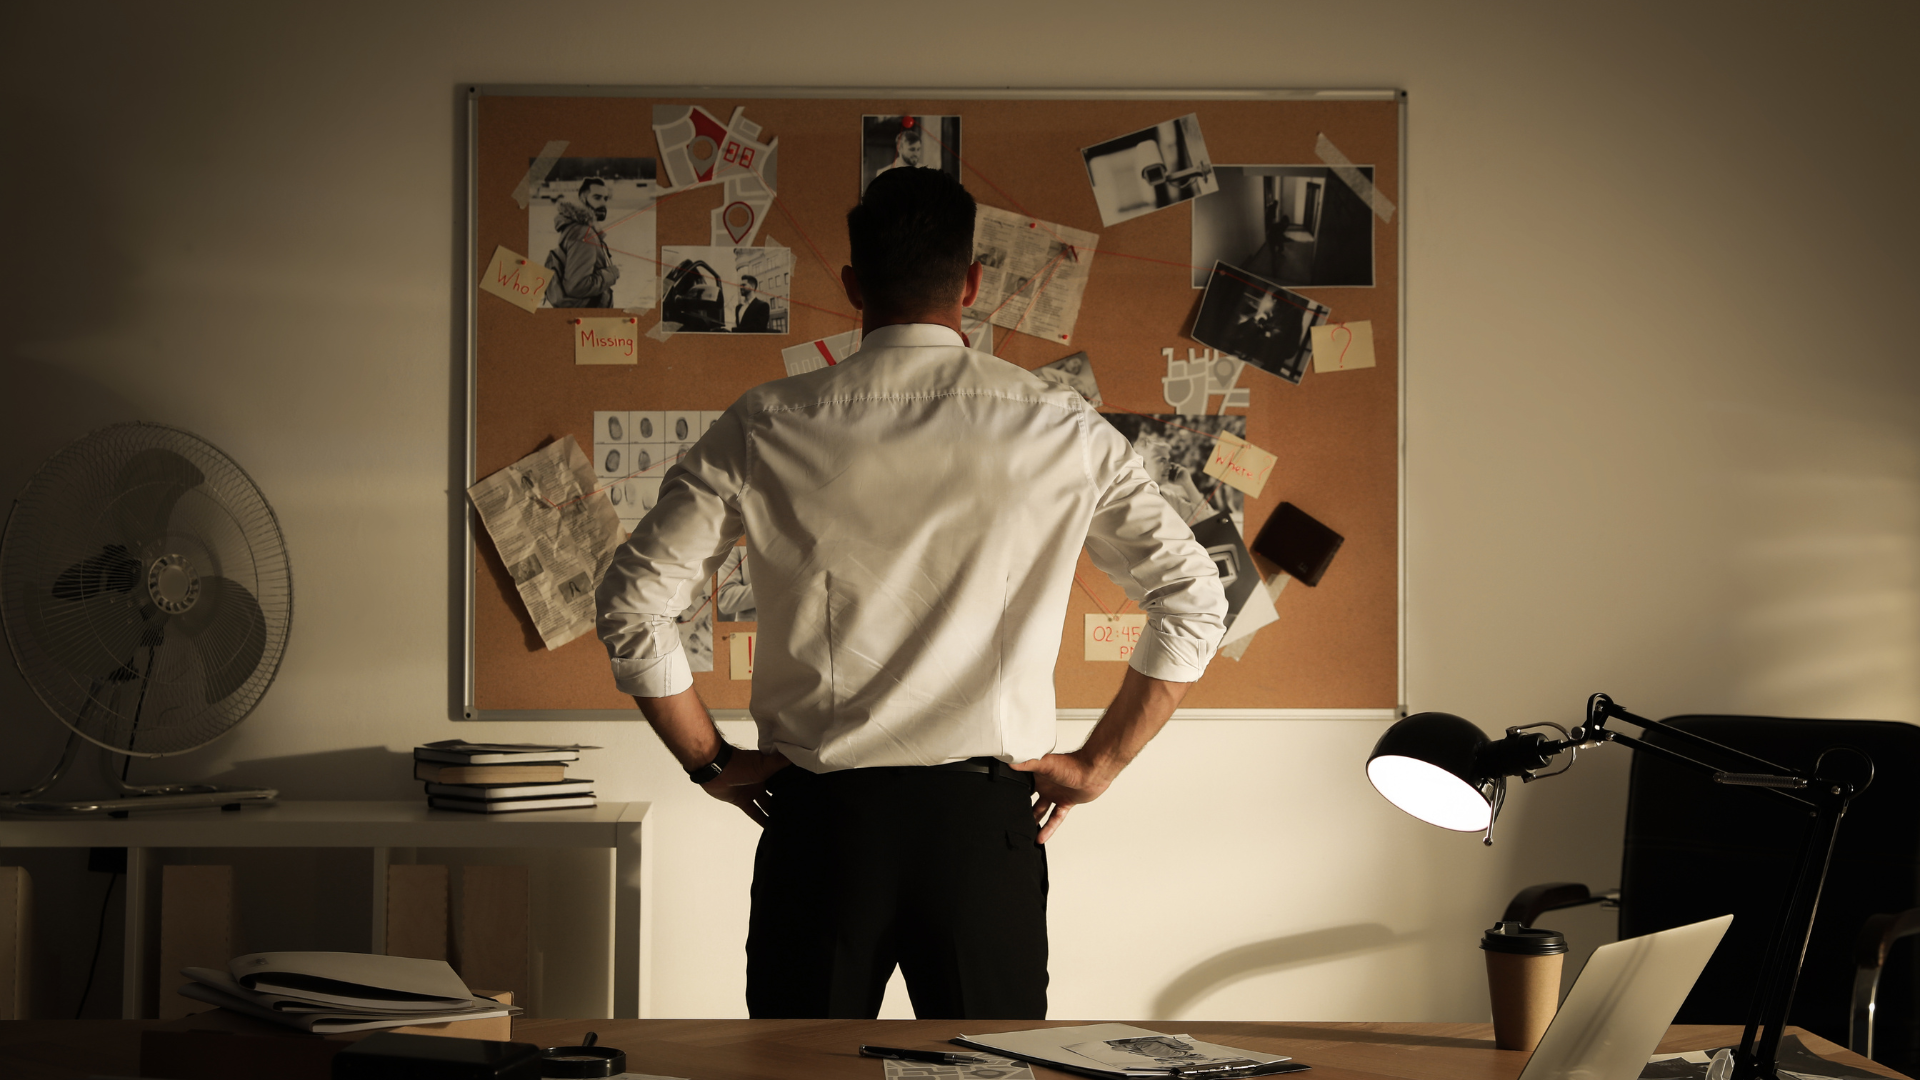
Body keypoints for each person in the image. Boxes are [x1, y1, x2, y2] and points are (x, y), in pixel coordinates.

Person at [595, 166, 1226, 1021]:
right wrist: (1097, 765)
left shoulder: (767, 421)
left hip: (821, 830)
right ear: (971, 282)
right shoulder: (1059, 424)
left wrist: (709, 764)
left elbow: (634, 604)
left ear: (853, 284)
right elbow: (1193, 598)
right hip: (982, 833)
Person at [544, 178, 621, 308]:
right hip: (589, 311)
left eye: (605, 198)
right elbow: (577, 286)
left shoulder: (578, 227)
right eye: (597, 197)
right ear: (582, 199)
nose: (603, 203)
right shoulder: (583, 232)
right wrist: (611, 274)